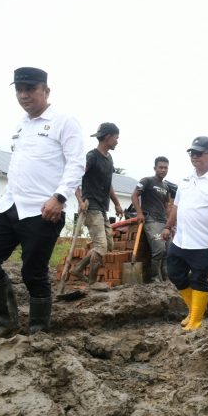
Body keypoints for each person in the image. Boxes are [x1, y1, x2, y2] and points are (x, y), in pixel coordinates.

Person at [0, 67, 84, 338]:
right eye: (19, 90)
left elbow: (77, 163)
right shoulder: (21, 125)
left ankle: (38, 332)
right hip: (10, 204)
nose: (24, 95)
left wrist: (59, 197)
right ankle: (5, 322)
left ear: (46, 91)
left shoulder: (64, 121)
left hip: (44, 210)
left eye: (30, 89)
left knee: (33, 272)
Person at [161, 136, 208, 331]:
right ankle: (193, 310)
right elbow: (176, 206)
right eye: (192, 153)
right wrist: (167, 226)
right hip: (181, 240)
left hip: (203, 243)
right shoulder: (185, 180)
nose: (194, 157)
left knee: (198, 279)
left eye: (199, 153)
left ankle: (196, 320)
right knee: (175, 274)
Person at [69, 122, 124, 291]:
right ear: (108, 138)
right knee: (101, 246)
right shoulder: (91, 156)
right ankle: (92, 282)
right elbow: (75, 178)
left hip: (101, 207)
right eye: (116, 138)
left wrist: (117, 204)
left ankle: (78, 269)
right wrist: (80, 200)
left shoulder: (109, 159)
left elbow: (108, 185)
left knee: (108, 245)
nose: (117, 141)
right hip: (90, 206)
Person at [132, 156, 171, 282]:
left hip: (163, 222)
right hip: (151, 220)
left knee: (168, 251)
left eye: (165, 168)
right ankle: (155, 278)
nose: (163, 170)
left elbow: (167, 206)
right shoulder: (147, 181)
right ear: (155, 168)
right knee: (159, 249)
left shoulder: (166, 186)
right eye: (161, 167)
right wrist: (139, 213)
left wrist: (170, 223)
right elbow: (134, 196)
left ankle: (167, 279)